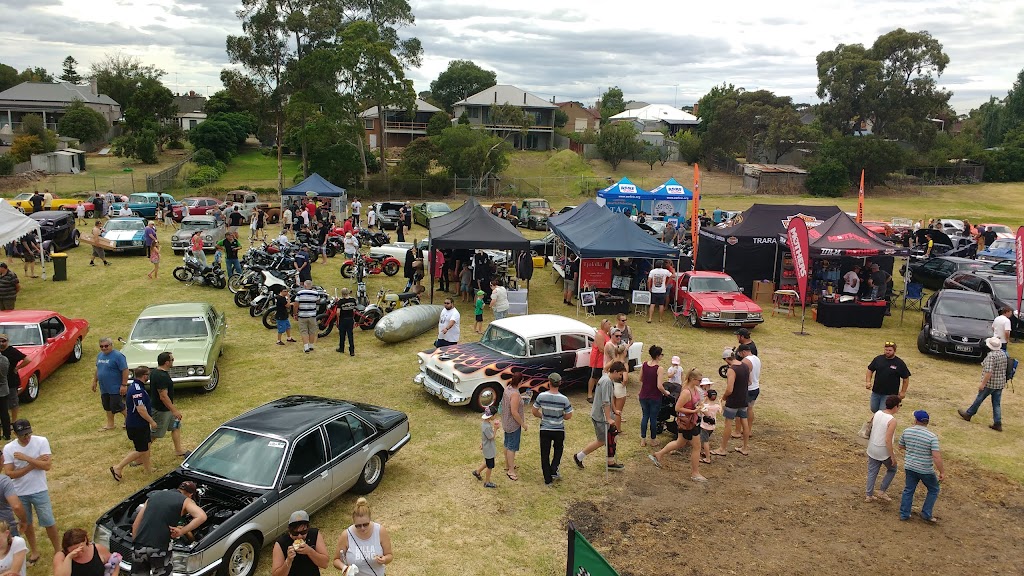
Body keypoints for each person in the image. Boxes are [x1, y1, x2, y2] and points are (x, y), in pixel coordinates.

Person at [2, 419, 58, 565]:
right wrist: (34, 463)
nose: (26, 437)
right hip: (20, 492)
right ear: (15, 434)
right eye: (22, 435)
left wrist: (26, 458)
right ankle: (34, 551)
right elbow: (10, 473)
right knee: (26, 523)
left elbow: (47, 466)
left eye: (28, 433)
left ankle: (58, 551)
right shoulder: (9, 448)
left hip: (39, 489)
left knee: (49, 521)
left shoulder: (41, 441)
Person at [131, 481, 206, 575]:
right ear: (191, 494)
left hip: (139, 545)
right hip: (159, 548)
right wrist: (181, 531)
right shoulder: (185, 500)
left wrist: (136, 543)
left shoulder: (153, 496)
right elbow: (202, 516)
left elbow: (135, 525)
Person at [649, 368, 706, 482]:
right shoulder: (686, 392)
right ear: (693, 379)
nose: (700, 383)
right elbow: (678, 408)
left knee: (680, 442)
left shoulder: (694, 389)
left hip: (691, 421)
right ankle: (695, 473)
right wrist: (694, 411)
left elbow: (696, 402)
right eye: (699, 380)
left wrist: (700, 406)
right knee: (697, 447)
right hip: (688, 422)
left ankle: (659, 454)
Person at [573, 361, 625, 471]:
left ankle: (610, 462)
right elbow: (605, 402)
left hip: (603, 415)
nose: (621, 377)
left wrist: (615, 410)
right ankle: (579, 456)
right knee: (602, 440)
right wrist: (608, 418)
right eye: (620, 374)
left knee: (611, 437)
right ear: (615, 371)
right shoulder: (606, 382)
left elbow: (610, 397)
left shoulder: (607, 379)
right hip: (600, 417)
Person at [110, 366, 157, 481]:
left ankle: (148, 470)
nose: (148, 377)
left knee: (145, 446)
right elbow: (141, 409)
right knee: (141, 450)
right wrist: (152, 421)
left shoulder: (137, 386)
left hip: (139, 423)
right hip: (137, 424)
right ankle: (118, 467)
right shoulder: (137, 390)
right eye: (148, 375)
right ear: (144, 375)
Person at [898, 410, 944, 523]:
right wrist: (942, 472)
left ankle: (904, 513)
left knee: (909, 489)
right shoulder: (932, 437)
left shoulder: (907, 431)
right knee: (934, 489)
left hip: (909, 466)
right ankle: (926, 513)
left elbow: (901, 446)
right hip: (925, 469)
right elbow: (936, 457)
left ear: (916, 420)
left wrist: (913, 450)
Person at [861, 341, 911, 439]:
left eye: (890, 350)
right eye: (886, 349)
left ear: (894, 351)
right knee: (874, 409)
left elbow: (906, 378)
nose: (887, 352)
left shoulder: (899, 363)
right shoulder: (878, 359)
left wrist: (903, 391)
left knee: (882, 412)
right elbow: (870, 370)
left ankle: (871, 430)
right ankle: (872, 425)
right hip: (876, 391)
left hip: (889, 395)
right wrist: (868, 381)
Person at [958, 336, 1008, 431]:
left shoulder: (991, 356)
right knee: (996, 404)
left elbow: (989, 372)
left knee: (979, 399)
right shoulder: (1003, 354)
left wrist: (982, 384)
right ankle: (998, 423)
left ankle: (968, 414)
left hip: (990, 384)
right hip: (1000, 383)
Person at [532, 373, 573, 486]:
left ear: (549, 383)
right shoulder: (564, 399)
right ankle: (554, 469)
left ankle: (547, 479)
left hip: (545, 429)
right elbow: (569, 415)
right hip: (559, 429)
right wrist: (561, 416)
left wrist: (543, 416)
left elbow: (534, 411)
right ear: (560, 383)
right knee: (558, 450)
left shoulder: (541, 396)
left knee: (545, 454)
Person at [333, 498, 393, 575]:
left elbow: (389, 555)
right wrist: (344, 567)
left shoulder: (380, 531)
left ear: (370, 519)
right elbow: (336, 560)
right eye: (358, 526)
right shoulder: (347, 535)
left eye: (365, 524)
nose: (362, 528)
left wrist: (385, 559)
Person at [149, 352, 190, 458]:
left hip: (167, 409)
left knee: (175, 427)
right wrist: (174, 410)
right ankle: (141, 455)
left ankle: (178, 450)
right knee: (154, 434)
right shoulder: (161, 376)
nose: (173, 361)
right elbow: (163, 396)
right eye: (172, 360)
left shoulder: (155, 372)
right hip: (162, 410)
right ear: (167, 362)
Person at [712, 349, 750, 457]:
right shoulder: (745, 366)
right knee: (744, 422)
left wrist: (724, 397)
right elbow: (749, 381)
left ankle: (722, 448)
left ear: (727, 359)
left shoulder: (732, 370)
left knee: (728, 424)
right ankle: (745, 448)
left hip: (733, 400)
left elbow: (729, 389)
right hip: (744, 399)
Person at [866, 395, 901, 503]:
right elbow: (887, 440)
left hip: (872, 447)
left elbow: (870, 427)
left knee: (872, 471)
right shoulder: (892, 420)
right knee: (892, 469)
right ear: (895, 406)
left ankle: (869, 494)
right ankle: (882, 491)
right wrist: (892, 456)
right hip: (882, 450)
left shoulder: (878, 413)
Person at [271, 510, 329, 576]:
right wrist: (288, 560)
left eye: (303, 532)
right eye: (295, 533)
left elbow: (325, 564)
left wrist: (310, 551)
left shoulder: (314, 534)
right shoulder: (281, 544)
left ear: (307, 528)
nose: (299, 536)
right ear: (289, 531)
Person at [91, 337, 128, 431]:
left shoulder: (118, 356)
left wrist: (124, 385)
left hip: (115, 387)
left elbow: (125, 370)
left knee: (117, 405)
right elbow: (98, 369)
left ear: (111, 345)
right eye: (101, 346)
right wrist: (95, 381)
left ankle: (129, 420)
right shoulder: (100, 355)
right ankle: (110, 424)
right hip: (104, 387)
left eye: (106, 346)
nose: (104, 348)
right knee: (107, 405)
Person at [637, 345, 671, 448]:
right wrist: (666, 393)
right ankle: (653, 439)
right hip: (654, 397)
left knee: (645, 416)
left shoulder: (644, 365)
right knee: (653, 418)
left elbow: (640, 378)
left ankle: (643, 439)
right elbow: (659, 386)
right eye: (661, 354)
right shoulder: (659, 368)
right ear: (657, 356)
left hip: (643, 395)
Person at [53, 527, 120, 576]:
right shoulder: (61, 556)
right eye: (73, 550)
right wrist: (69, 557)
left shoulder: (98, 549)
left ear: (85, 540)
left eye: (80, 548)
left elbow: (115, 564)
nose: (78, 552)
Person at [500, 372, 527, 481]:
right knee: (512, 447)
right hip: (513, 424)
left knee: (507, 443)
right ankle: (511, 470)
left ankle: (508, 465)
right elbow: (515, 412)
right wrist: (523, 424)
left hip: (506, 421)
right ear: (520, 382)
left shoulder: (508, 389)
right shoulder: (515, 394)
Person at [0, 336, 25, 439]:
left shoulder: (10, 354)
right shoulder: (4, 359)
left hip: (9, 383)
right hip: (5, 385)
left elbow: (27, 359)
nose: (1, 343)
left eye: (3, 341)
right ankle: (7, 432)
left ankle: (13, 422)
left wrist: (17, 368)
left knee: (12, 403)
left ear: (8, 341)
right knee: (4, 411)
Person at [604, 329, 629, 429]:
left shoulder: (614, 361)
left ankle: (611, 426)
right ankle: (618, 429)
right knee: (618, 410)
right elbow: (625, 378)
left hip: (612, 385)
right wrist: (623, 383)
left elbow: (605, 368)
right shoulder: (624, 363)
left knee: (612, 408)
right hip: (619, 387)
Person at [737, 343, 761, 437]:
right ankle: (749, 430)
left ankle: (738, 431)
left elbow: (744, 377)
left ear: (743, 352)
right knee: (750, 409)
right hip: (756, 387)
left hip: (747, 389)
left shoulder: (745, 361)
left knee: (739, 410)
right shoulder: (757, 358)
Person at [473, 407, 500, 489]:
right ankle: (487, 482)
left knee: (488, 461)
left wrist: (482, 443)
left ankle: (477, 472)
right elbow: (491, 437)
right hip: (489, 448)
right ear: (491, 416)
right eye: (494, 415)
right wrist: (495, 429)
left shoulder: (484, 424)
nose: (495, 417)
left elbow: (484, 436)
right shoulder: (487, 427)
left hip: (486, 447)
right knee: (490, 466)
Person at [292, 280, 320, 353]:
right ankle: (311, 345)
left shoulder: (300, 293)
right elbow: (318, 301)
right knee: (312, 331)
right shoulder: (316, 293)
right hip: (312, 315)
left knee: (304, 331)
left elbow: (296, 304)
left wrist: (295, 313)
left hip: (302, 315)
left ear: (304, 285)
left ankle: (306, 347)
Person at [586, 319, 610, 403]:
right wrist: (610, 353)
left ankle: (599, 393)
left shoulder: (606, 335)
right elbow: (601, 348)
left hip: (603, 359)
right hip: (597, 358)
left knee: (600, 376)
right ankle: (589, 395)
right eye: (609, 325)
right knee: (593, 376)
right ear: (604, 325)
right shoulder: (600, 334)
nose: (610, 326)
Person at [698, 388, 722, 464]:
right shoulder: (716, 406)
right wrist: (720, 402)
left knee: (705, 442)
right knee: (704, 440)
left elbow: (700, 406)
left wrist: (704, 400)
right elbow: (720, 411)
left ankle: (707, 458)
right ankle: (705, 452)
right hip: (712, 427)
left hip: (704, 426)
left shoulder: (704, 406)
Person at [336, 288, 357, 356]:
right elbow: (354, 309)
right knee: (350, 335)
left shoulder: (341, 301)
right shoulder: (353, 300)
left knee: (342, 335)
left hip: (343, 319)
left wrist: (338, 319)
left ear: (342, 294)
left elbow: (338, 312)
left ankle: (341, 348)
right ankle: (352, 351)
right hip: (350, 319)